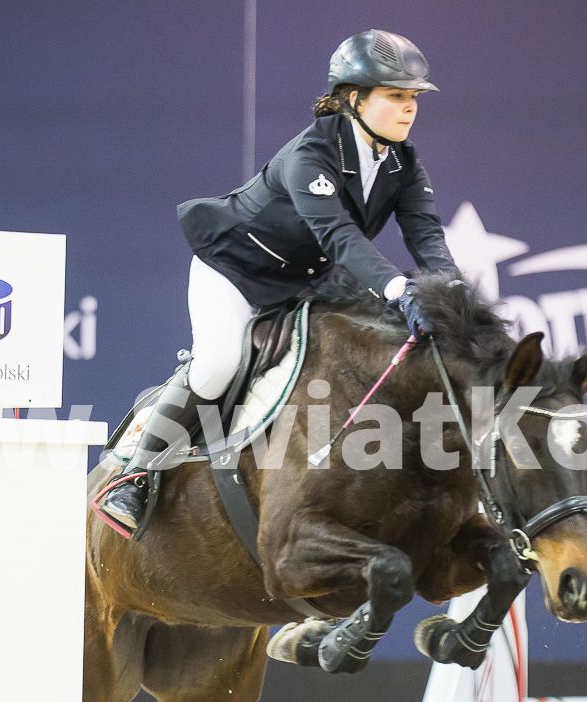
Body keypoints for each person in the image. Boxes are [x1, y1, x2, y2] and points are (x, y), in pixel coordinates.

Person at [101, 28, 458, 532]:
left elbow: (427, 235)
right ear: (353, 99)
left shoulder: (403, 162)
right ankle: (134, 476)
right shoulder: (310, 155)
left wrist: (452, 294)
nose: (409, 108)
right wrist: (400, 289)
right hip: (234, 270)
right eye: (395, 96)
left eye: (413, 98)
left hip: (301, 285)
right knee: (219, 363)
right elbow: (339, 237)